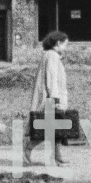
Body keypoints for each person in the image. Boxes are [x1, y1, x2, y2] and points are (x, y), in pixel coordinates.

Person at [26, 31, 70, 166]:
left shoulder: (50, 55)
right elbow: (51, 78)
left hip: (51, 98)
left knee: (55, 128)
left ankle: (56, 157)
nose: (66, 48)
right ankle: (28, 148)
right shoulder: (52, 56)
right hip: (51, 99)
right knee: (49, 128)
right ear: (58, 43)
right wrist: (55, 98)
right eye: (65, 44)